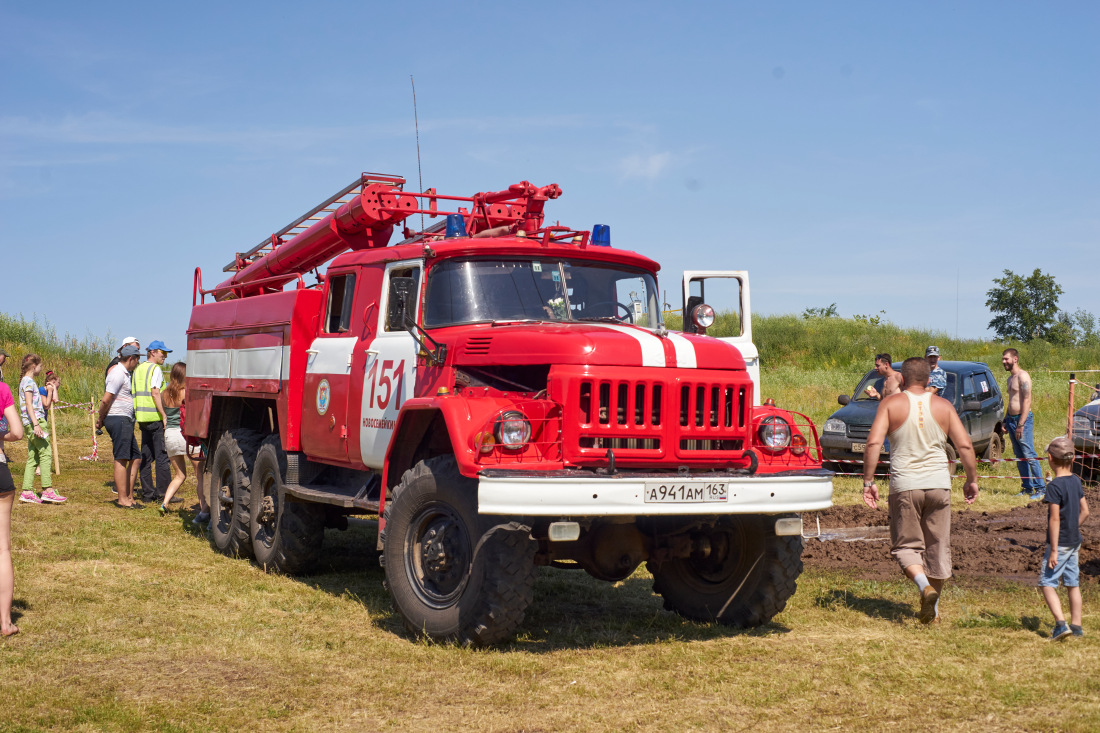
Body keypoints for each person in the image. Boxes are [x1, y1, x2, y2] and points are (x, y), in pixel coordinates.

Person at [863, 357, 979, 624]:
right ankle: (933, 613)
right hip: (939, 484)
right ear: (929, 380)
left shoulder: (890, 404)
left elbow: (873, 444)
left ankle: (923, 586)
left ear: (902, 379)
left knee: (906, 547)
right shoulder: (943, 405)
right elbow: (965, 447)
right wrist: (971, 479)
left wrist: (869, 483)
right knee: (937, 547)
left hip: (905, 486)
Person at [1039, 436, 1089, 641]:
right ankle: (1076, 626)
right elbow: (1085, 511)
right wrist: (1072, 528)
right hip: (1075, 541)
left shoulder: (1054, 486)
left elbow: (1054, 519)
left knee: (1047, 582)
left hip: (1059, 545)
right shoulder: (1076, 481)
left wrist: (1053, 549)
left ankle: (1061, 625)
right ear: (1073, 458)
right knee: (1072, 583)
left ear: (1050, 458)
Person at [158, 362, 208, 519]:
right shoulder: (186, 393)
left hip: (169, 435)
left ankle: (164, 503)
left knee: (179, 475)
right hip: (184, 435)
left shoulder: (164, 394)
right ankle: (203, 508)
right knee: (199, 474)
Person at [96, 344, 142, 508]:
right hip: (118, 418)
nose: (137, 363)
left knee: (135, 457)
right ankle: (122, 499)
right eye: (137, 360)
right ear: (131, 359)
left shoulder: (124, 374)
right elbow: (106, 399)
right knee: (121, 458)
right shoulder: (117, 373)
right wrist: (100, 418)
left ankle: (129, 496)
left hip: (125, 419)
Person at [17, 355, 66, 505]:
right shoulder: (29, 382)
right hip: (36, 422)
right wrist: (36, 424)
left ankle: (26, 491)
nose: (41, 369)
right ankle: (47, 490)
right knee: (46, 453)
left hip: (30, 423)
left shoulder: (25, 382)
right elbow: (29, 405)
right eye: (40, 366)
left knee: (33, 457)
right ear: (33, 366)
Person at [1001, 348, 1046, 500]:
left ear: (1015, 359)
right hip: (1012, 420)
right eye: (1003, 359)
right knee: (1019, 456)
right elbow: (1011, 401)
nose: (1003, 362)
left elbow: (1027, 401)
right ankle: (1027, 487)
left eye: (1006, 359)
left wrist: (1021, 424)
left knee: (1029, 454)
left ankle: (1041, 488)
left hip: (1023, 420)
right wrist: (1006, 420)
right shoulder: (1010, 379)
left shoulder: (1023, 376)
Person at [134, 341, 173, 504]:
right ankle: (163, 494)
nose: (165, 356)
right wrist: (164, 415)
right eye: (163, 353)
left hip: (142, 418)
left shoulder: (138, 369)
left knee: (146, 456)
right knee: (162, 456)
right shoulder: (155, 369)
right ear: (153, 352)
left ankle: (148, 493)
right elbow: (155, 392)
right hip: (155, 417)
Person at [1, 379, 25, 637]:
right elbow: (17, 432)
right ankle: (6, 622)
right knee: (2, 549)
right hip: (0, 471)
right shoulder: (2, 389)